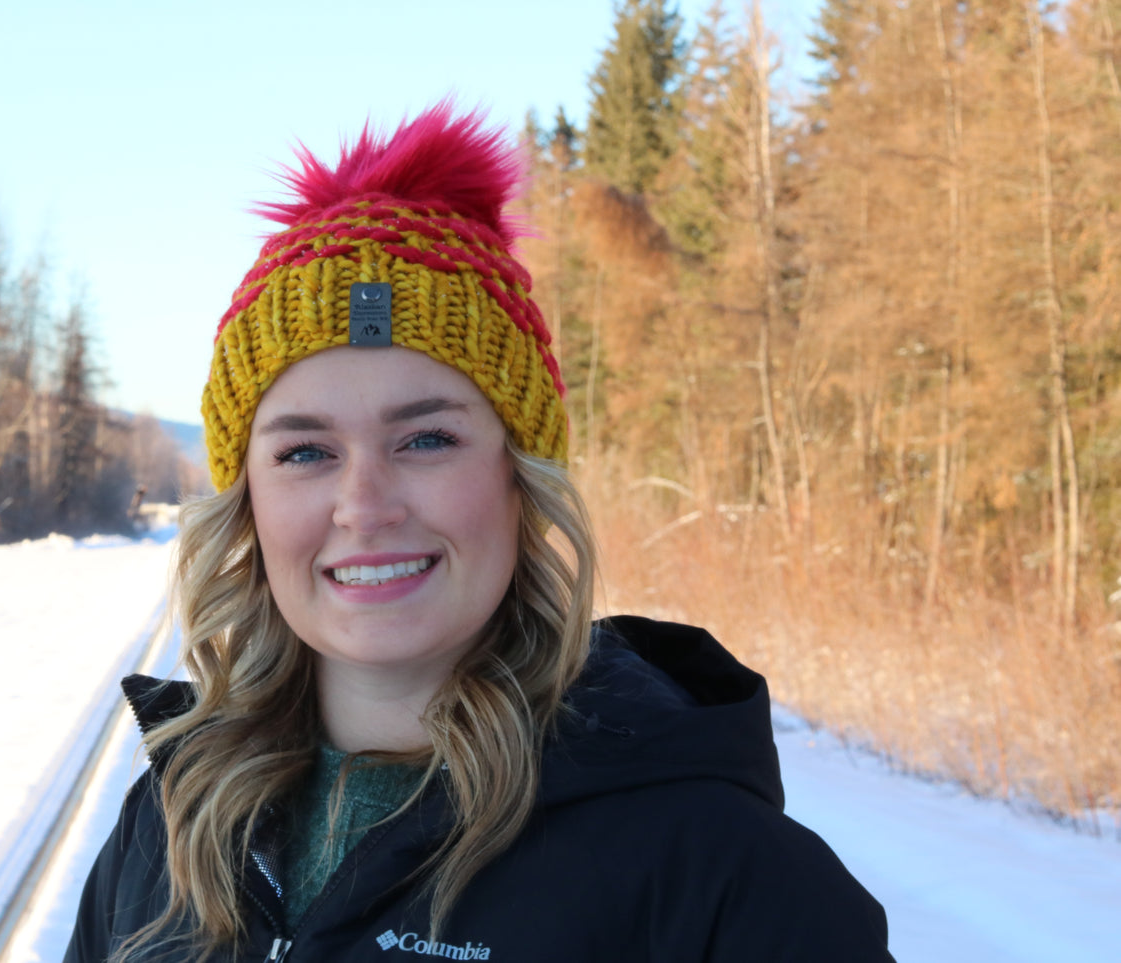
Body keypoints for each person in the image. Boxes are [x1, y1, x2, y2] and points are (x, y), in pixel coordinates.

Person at [64, 103, 893, 963]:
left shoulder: (718, 875)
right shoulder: (170, 828)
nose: (364, 503)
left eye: (426, 438)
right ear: (248, 502)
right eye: (305, 450)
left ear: (520, 476)